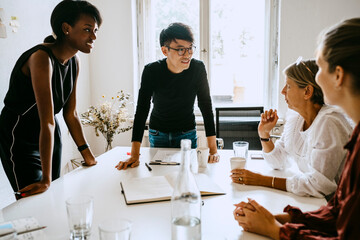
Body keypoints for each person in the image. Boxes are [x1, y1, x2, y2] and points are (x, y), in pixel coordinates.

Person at [233, 17, 360, 239]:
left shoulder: (332, 123)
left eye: (319, 67)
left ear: (338, 75)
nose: (283, 91)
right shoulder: (355, 135)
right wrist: (283, 219)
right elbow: (338, 212)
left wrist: (275, 230)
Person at [0, 0, 102, 198]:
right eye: (87, 29)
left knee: (53, 194)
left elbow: (70, 114)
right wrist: (45, 180)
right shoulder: (41, 57)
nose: (94, 36)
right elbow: (45, 118)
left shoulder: (74, 60)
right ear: (66, 28)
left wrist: (88, 156)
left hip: (49, 132)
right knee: (32, 197)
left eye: (96, 30)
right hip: (18, 133)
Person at [230, 59, 352, 198]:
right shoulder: (298, 118)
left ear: (307, 91)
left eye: (288, 86)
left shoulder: (329, 123)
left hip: (339, 205)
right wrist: (264, 134)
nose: (282, 91)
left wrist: (261, 180)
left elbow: (319, 186)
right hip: (313, 201)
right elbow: (277, 161)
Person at [116, 22, 219, 170]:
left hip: (187, 133)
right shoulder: (152, 71)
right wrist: (134, 155)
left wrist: (213, 150)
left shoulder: (198, 68)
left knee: (188, 174)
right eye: (181, 50)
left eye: (190, 49)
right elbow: (142, 110)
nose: (187, 54)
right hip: (158, 133)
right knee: (159, 176)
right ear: (165, 51)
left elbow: (206, 106)